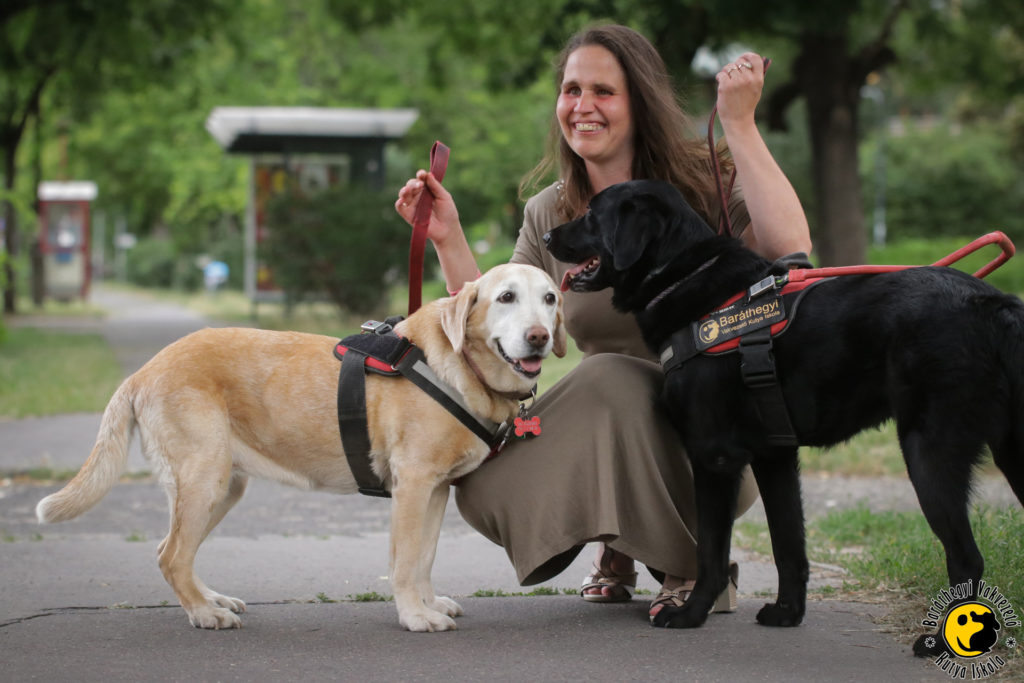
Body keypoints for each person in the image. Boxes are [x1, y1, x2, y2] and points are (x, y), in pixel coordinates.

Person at [395, 24, 811, 620]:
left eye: (603, 91)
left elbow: (793, 250)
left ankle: (695, 568)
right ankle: (619, 542)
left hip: (713, 440)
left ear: (639, 101)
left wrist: (740, 124)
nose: (582, 106)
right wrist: (447, 235)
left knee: (610, 375)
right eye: (570, 90)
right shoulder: (551, 212)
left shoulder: (700, 181)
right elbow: (500, 317)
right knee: (480, 477)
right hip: (606, 440)